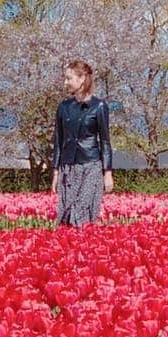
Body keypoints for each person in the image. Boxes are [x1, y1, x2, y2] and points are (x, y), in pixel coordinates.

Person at [50, 59, 114, 226]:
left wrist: (107, 172)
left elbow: (105, 141)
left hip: (90, 166)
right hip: (68, 167)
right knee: (66, 215)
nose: (66, 82)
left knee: (81, 212)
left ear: (81, 78)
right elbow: (58, 139)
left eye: (69, 78)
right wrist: (56, 173)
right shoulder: (63, 107)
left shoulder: (99, 106)